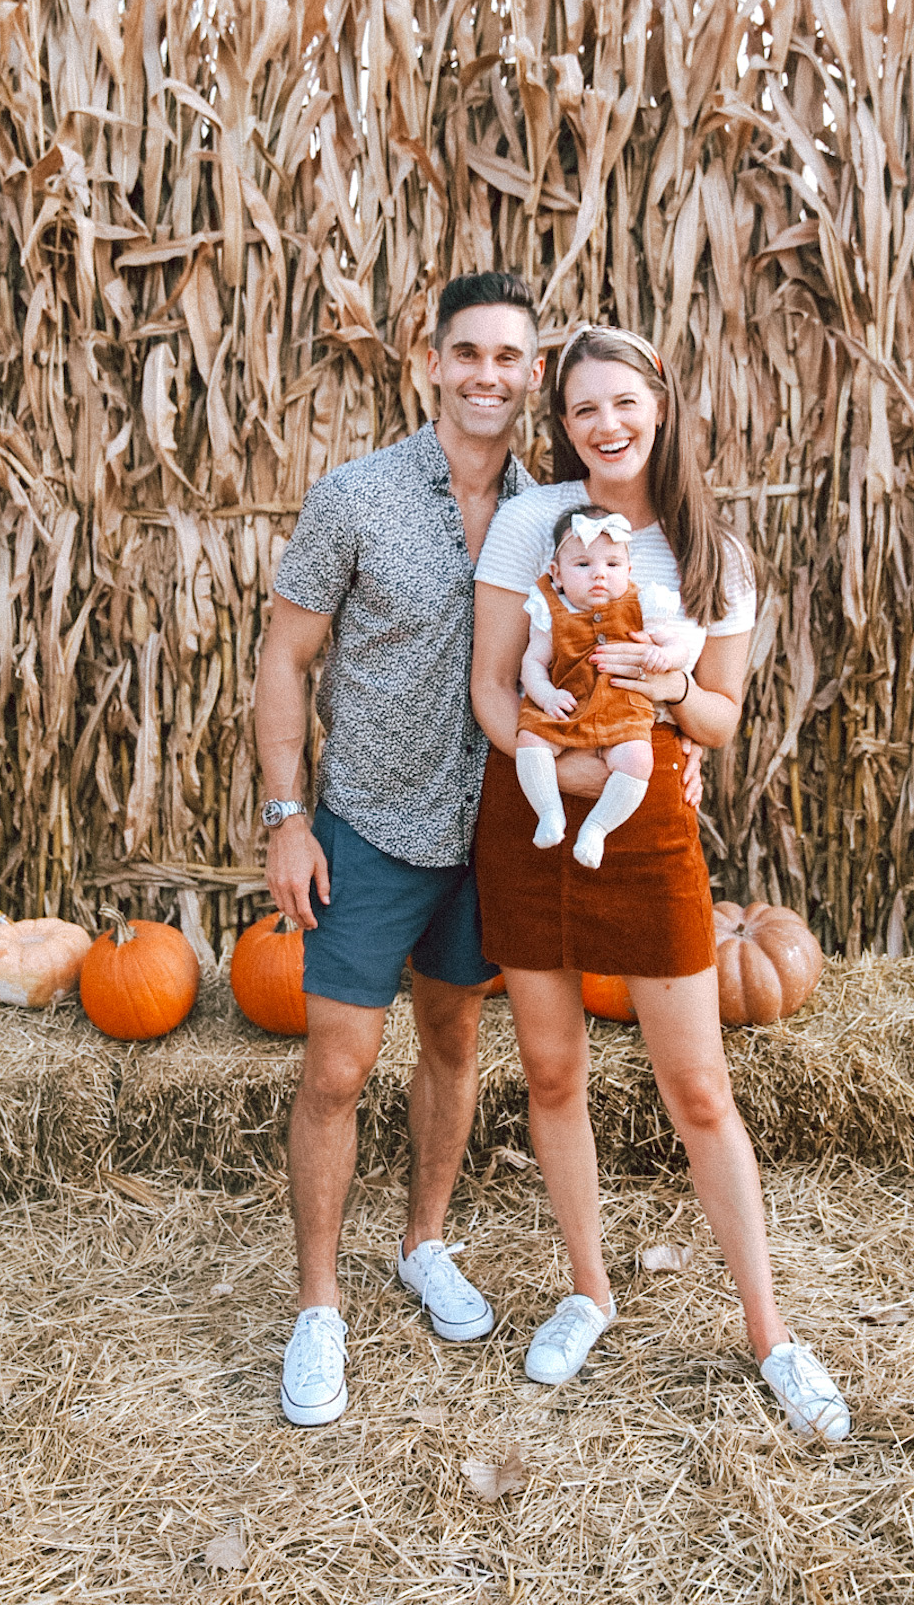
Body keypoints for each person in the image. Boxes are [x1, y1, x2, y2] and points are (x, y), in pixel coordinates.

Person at [470, 320, 850, 1442]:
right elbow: (495, 689)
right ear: (564, 423)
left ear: (661, 401)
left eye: (623, 402)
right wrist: (568, 767)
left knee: (698, 1091)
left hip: (649, 821)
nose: (607, 425)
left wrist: (674, 681)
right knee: (550, 1072)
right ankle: (588, 1287)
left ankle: (769, 1330)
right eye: (583, 408)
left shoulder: (712, 553)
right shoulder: (530, 525)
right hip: (534, 811)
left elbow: (723, 721)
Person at [254, 271, 544, 1428]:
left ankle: (424, 1240)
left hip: (489, 835)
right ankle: (318, 1301)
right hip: (369, 824)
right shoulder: (355, 497)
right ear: (432, 363)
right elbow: (286, 655)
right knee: (334, 1068)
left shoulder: (550, 515)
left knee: (454, 1037)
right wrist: (286, 814)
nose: (486, 374)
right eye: (465, 352)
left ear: (532, 373)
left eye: (507, 357)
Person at [515, 504, 705, 867]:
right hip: (566, 704)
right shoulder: (549, 610)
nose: (599, 575)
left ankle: (597, 828)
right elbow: (533, 664)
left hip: (622, 712)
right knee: (531, 739)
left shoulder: (643, 605)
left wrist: (665, 659)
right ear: (556, 574)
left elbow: (677, 646)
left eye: (612, 565)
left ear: (629, 570)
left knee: (637, 759)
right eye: (583, 565)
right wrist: (546, 695)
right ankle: (550, 813)